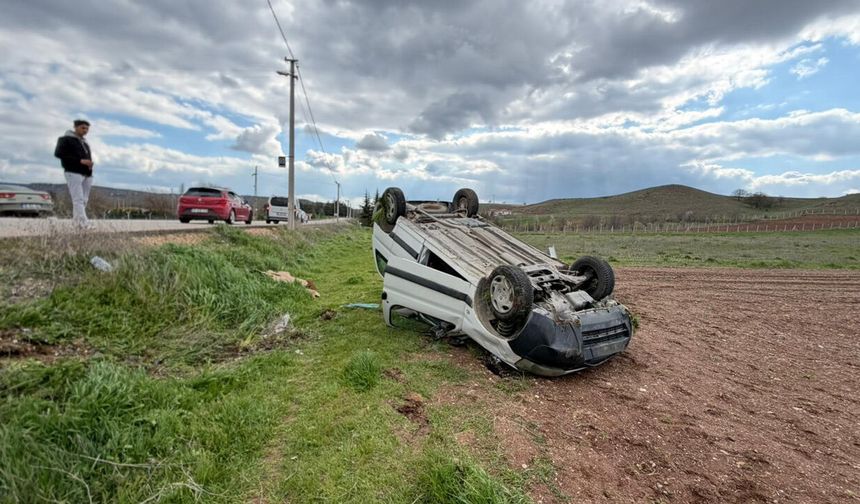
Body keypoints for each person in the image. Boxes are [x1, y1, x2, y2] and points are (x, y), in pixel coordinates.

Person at [54, 119, 94, 228]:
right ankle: (84, 223)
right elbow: (58, 153)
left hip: (87, 174)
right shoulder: (65, 139)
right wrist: (79, 161)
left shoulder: (85, 143)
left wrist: (90, 166)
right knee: (78, 199)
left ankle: (77, 223)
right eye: (83, 128)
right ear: (75, 127)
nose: (85, 130)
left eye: (87, 129)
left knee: (84, 199)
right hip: (73, 172)